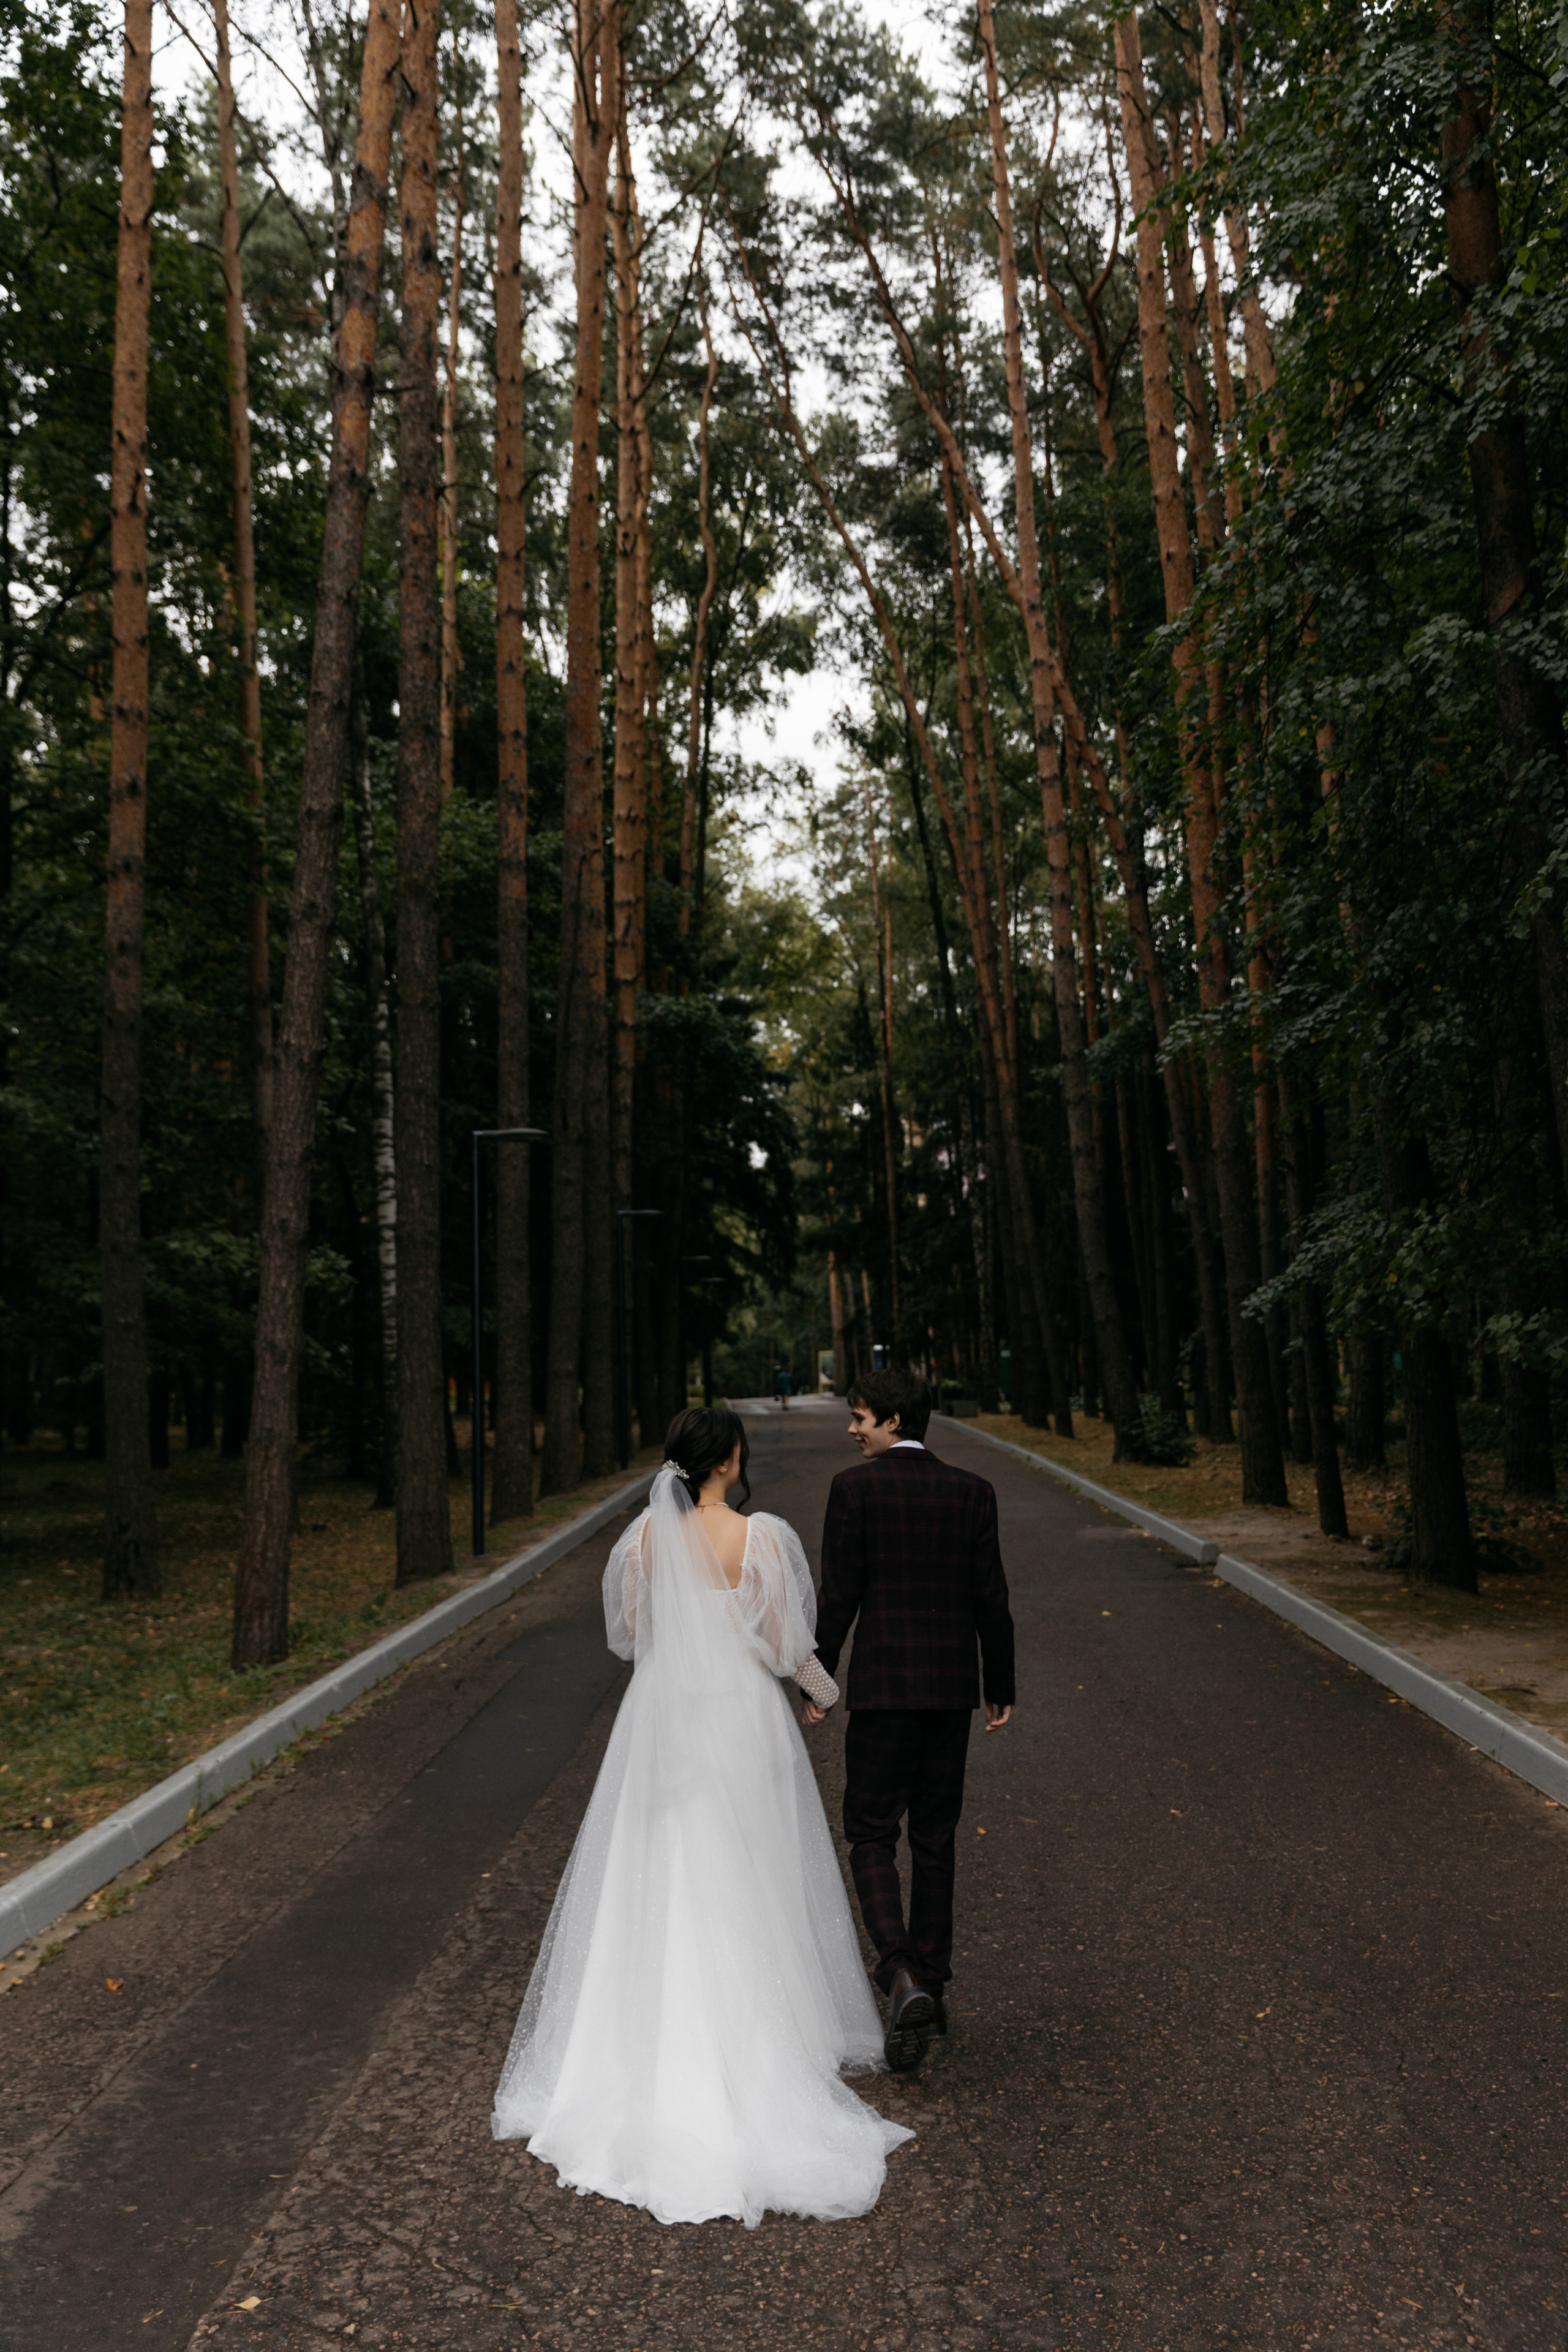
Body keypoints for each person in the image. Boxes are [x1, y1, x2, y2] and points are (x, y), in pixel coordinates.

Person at [491, 1406, 912, 2228]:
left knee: (663, 1865)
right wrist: (821, 1692)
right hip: (740, 1715)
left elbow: (633, 1636)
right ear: (729, 1460)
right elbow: (788, 1640)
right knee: (747, 1867)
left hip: (662, 1715)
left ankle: (647, 2040)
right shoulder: (762, 1538)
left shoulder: (642, 1544)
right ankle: (755, 2043)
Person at [802, 1368, 1014, 2073]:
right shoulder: (971, 1493)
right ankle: (932, 1979)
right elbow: (991, 1596)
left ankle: (896, 1971)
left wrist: (817, 1684)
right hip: (950, 1692)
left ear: (895, 1421)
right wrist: (999, 1684)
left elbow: (838, 1600)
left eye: (861, 1416)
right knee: (934, 1835)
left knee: (868, 1830)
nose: (853, 1429)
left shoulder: (853, 1490)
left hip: (884, 1690)